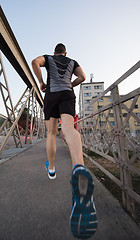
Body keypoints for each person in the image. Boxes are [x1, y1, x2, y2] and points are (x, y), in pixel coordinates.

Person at [32, 43, 97, 239]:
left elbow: (35, 62)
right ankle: (79, 167)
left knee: (51, 133)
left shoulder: (48, 58)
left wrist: (42, 82)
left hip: (51, 94)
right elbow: (83, 77)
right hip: (68, 94)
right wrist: (71, 84)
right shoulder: (72, 61)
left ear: (54, 52)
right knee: (69, 128)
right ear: (65, 53)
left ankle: (51, 168)